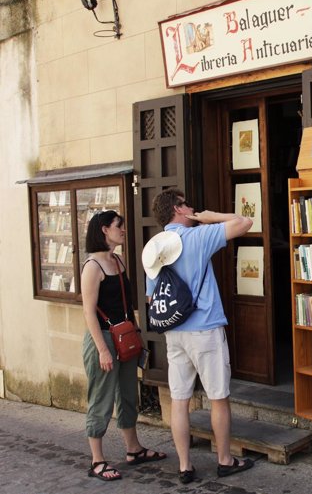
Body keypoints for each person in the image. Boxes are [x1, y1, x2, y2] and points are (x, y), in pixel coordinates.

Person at [145, 189, 254, 484]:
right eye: (187, 204)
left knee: (180, 400)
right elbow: (245, 222)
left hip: (174, 331)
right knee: (218, 397)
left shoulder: (153, 246)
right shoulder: (196, 238)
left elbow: (150, 294)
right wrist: (209, 217)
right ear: (179, 210)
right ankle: (224, 460)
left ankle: (184, 466)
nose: (192, 208)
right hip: (204, 328)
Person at [81, 210, 166, 482]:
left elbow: (126, 304)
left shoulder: (118, 261)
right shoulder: (92, 266)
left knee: (128, 393)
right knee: (102, 398)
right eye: (119, 226)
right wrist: (103, 350)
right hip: (104, 339)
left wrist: (136, 332)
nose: (123, 230)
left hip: (125, 336)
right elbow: (88, 312)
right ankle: (97, 460)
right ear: (104, 229)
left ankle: (133, 449)